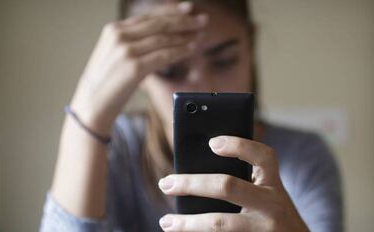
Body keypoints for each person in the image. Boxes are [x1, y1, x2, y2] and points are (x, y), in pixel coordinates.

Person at [40, 0, 343, 231]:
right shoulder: (113, 145)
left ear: (251, 44)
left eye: (224, 60)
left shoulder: (305, 156)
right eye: (170, 70)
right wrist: (88, 112)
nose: (202, 87)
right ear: (138, 74)